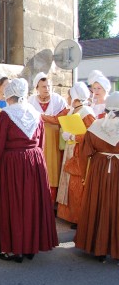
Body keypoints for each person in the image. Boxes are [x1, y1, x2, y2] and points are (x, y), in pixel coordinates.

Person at [0, 78, 58, 262]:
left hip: (12, 164)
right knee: (30, 203)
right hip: (34, 162)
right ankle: (29, 246)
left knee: (12, 203)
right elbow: (41, 143)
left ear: (9, 94)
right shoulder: (35, 114)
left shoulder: (4, 116)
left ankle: (11, 247)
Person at [74, 92, 119, 263]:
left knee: (98, 205)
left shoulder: (96, 126)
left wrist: (85, 176)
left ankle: (98, 249)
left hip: (98, 171)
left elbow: (85, 154)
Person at [56, 82, 96, 229]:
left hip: (79, 154)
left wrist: (73, 136)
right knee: (70, 185)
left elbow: (91, 135)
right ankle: (70, 215)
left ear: (76, 97)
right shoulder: (72, 111)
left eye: (69, 95)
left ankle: (79, 218)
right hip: (71, 150)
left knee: (77, 186)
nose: (67, 98)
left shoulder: (87, 113)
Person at [28, 72, 68, 203]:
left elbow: (61, 119)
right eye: (43, 86)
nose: (47, 89)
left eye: (48, 86)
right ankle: (37, 200)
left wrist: (41, 116)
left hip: (54, 139)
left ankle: (51, 201)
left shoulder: (58, 100)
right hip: (37, 139)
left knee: (53, 169)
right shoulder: (31, 101)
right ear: (37, 88)